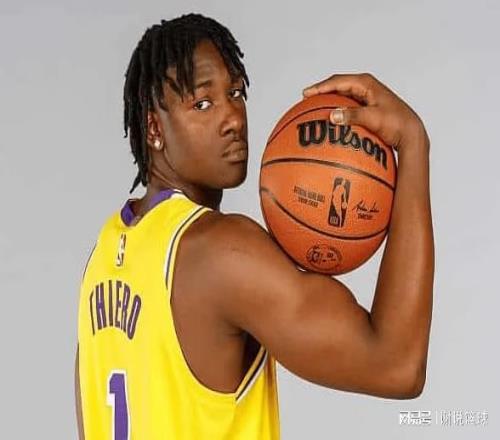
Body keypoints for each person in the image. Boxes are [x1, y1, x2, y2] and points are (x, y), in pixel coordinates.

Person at [75, 13, 434, 440]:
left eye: (236, 93)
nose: (233, 117)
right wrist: (413, 141)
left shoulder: (102, 258)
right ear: (154, 127)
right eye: (202, 103)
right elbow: (397, 366)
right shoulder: (220, 251)